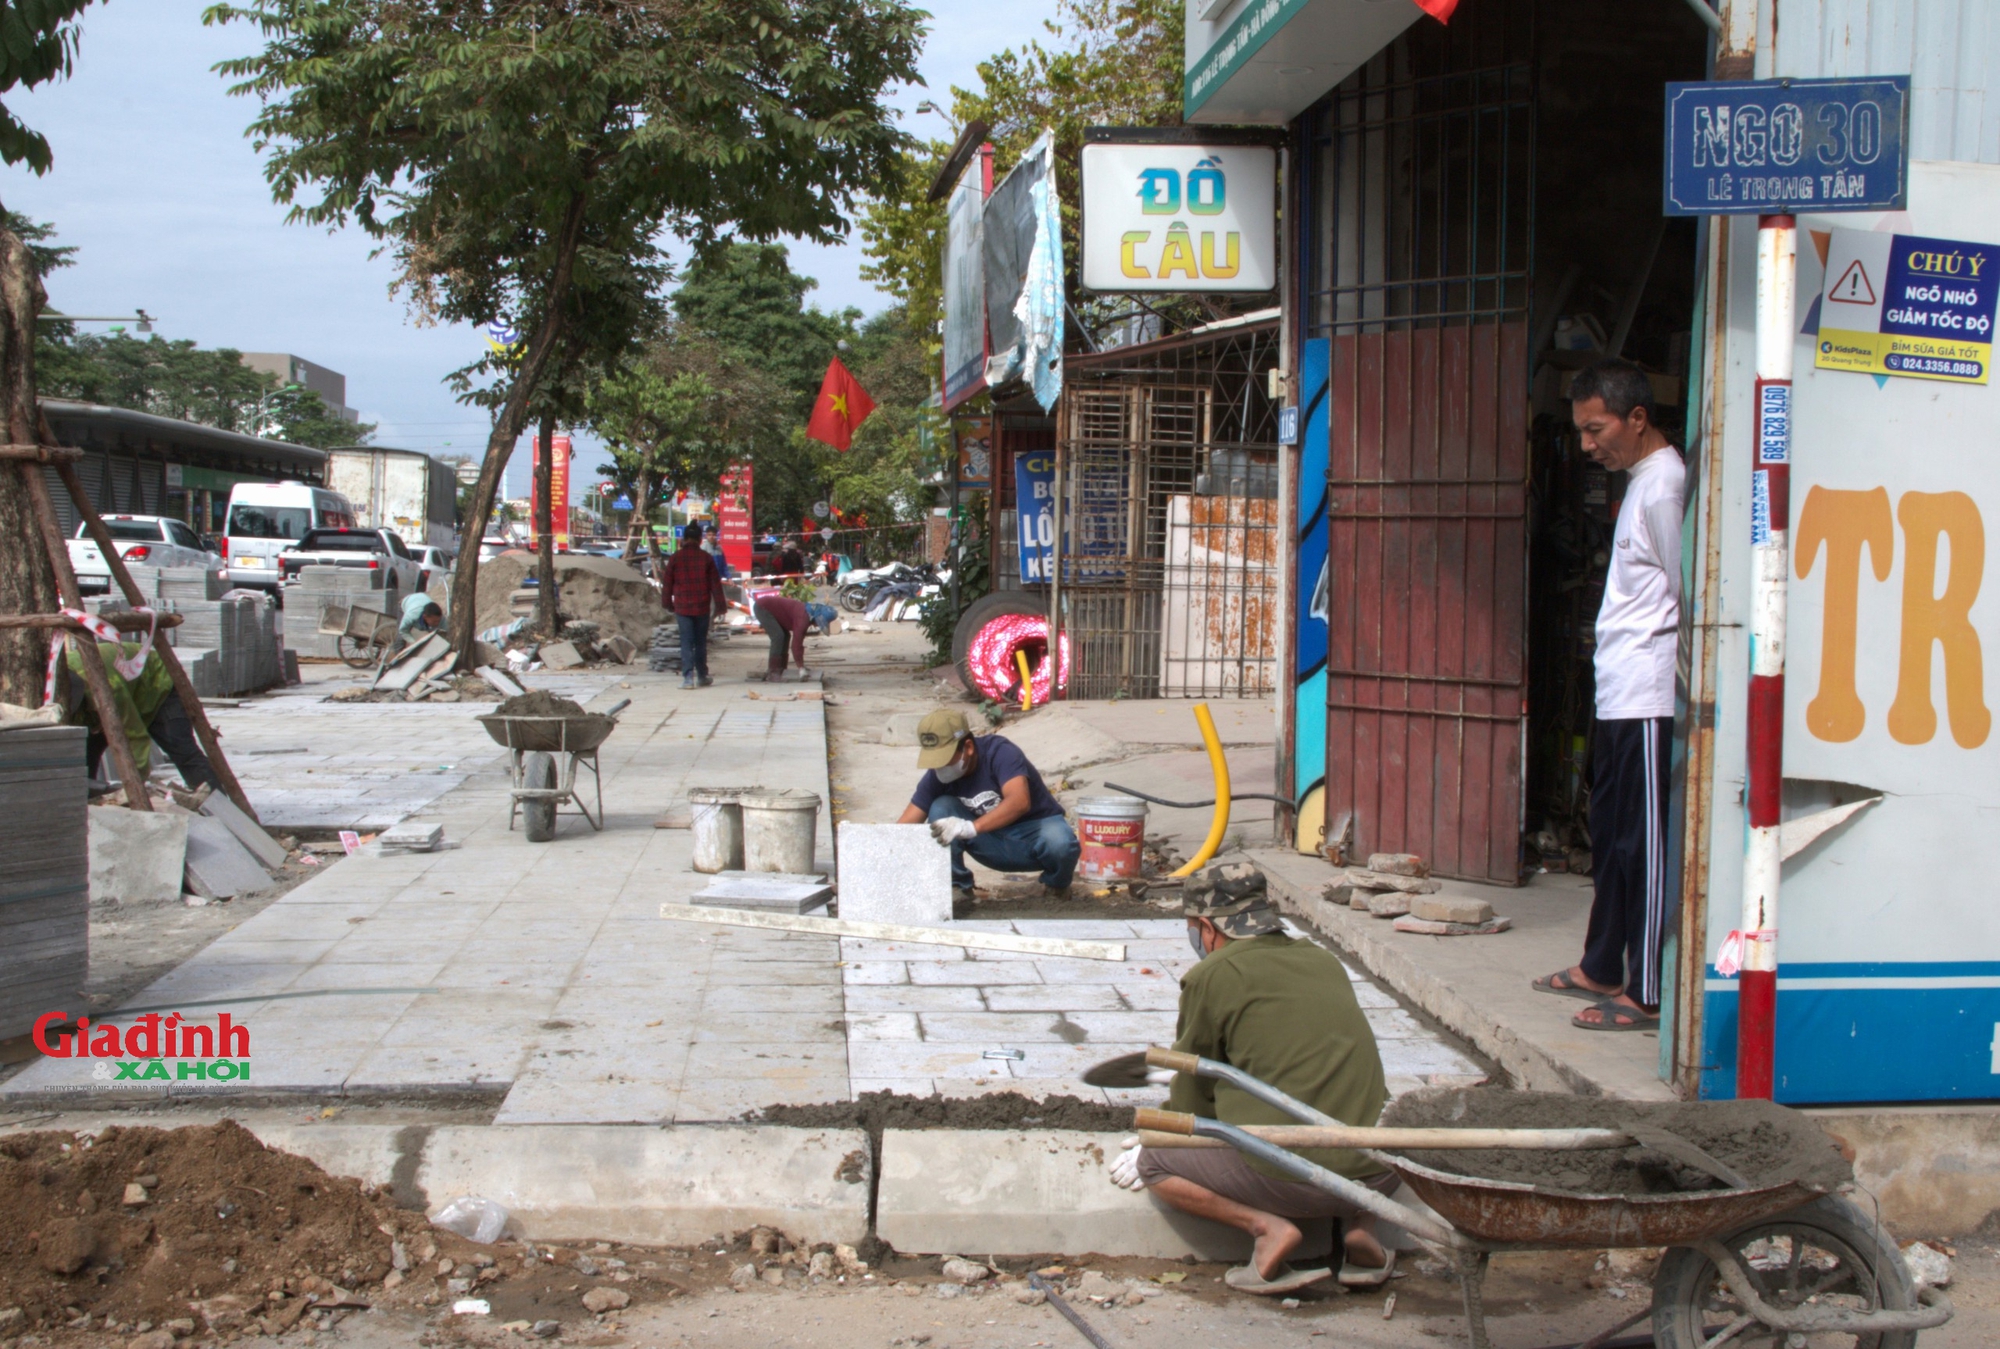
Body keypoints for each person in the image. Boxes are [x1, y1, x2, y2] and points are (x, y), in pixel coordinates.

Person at [1108, 861, 1395, 1297]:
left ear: (1206, 926)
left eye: (1192, 926)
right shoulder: (1323, 959)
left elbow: (1194, 1082)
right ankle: (1362, 1232)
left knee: (1155, 1163)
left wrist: (1162, 1136)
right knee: (1359, 1108)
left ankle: (1268, 1231)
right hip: (1381, 1173)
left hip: (1294, 1185)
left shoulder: (1213, 975)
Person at [1534, 358, 1685, 1032]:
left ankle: (1647, 990)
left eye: (1596, 430)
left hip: (1649, 694)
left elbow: (1690, 596)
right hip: (1619, 691)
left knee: (1642, 846)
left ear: (1637, 419)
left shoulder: (1664, 489)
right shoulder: (1639, 483)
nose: (1588, 444)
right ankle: (1602, 962)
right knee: (1614, 839)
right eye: (1581, 431)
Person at [895, 709, 1079, 900]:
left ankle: (1055, 886)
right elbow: (906, 824)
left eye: (945, 759)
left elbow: (1019, 802)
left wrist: (971, 827)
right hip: (989, 844)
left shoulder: (1001, 753)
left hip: (1032, 838)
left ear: (968, 747)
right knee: (941, 808)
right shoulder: (937, 776)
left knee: (1061, 842)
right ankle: (956, 887)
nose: (940, 768)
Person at [62, 640, 219, 792]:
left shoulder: (107, 689)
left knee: (179, 746)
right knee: (86, 753)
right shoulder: (51, 681)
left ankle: (218, 808)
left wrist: (135, 788)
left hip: (156, 683)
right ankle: (85, 806)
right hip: (119, 690)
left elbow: (134, 736)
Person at [662, 522, 727, 689]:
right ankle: (702, 675)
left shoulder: (675, 558)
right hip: (702, 606)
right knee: (700, 642)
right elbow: (715, 585)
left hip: (682, 607)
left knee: (686, 642)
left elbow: (667, 584)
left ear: (684, 539)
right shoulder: (706, 558)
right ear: (700, 539)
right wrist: (721, 607)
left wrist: (667, 604)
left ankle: (688, 678)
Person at [751, 590, 812, 682]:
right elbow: (796, 645)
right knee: (778, 636)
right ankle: (773, 672)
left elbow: (798, 641)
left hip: (766, 606)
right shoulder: (803, 618)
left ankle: (781, 668)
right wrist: (801, 667)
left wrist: (801, 666)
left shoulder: (806, 612)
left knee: (785, 635)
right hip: (762, 607)